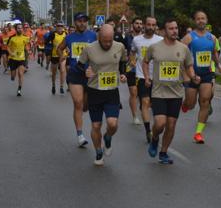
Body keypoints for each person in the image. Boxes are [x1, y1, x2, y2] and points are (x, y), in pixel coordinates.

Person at [144, 19, 196, 164]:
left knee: (171, 124)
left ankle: (163, 152)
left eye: (176, 28)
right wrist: (147, 77)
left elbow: (189, 66)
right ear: (164, 31)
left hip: (176, 92)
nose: (175, 31)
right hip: (158, 91)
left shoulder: (183, 48)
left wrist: (193, 76)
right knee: (160, 123)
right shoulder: (154, 47)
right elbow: (145, 61)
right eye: (171, 28)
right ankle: (155, 139)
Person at [77, 24, 128, 166]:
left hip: (112, 91)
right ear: (99, 37)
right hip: (94, 91)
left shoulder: (119, 46)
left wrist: (123, 74)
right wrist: (85, 71)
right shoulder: (89, 48)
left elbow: (123, 61)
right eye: (104, 41)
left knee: (113, 124)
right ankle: (99, 152)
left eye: (110, 41)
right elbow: (80, 64)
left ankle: (107, 137)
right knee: (96, 125)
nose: (107, 44)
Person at [181, 11, 221, 144]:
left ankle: (198, 133)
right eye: (198, 19)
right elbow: (179, 53)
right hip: (192, 73)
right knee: (191, 104)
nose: (201, 21)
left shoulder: (212, 38)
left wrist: (219, 66)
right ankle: (186, 104)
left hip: (206, 74)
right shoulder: (189, 37)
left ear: (206, 20)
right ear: (195, 21)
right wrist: (185, 74)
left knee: (205, 101)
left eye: (203, 18)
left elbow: (214, 53)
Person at [57, 13, 97, 147]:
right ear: (75, 22)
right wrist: (61, 56)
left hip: (90, 75)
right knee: (78, 103)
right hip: (75, 74)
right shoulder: (69, 38)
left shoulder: (93, 36)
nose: (82, 23)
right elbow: (59, 48)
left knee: (86, 106)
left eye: (84, 21)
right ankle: (80, 134)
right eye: (79, 21)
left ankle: (83, 113)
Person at [131, 16, 163, 142]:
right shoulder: (136, 40)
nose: (150, 27)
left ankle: (157, 126)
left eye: (153, 25)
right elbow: (132, 53)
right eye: (148, 25)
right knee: (145, 102)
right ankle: (148, 130)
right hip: (141, 76)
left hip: (158, 77)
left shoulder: (160, 40)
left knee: (154, 105)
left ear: (156, 26)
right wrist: (133, 61)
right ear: (144, 25)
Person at [7, 23, 31, 97]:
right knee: (13, 77)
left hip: (21, 59)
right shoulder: (12, 38)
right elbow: (7, 47)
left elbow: (28, 45)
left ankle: (19, 89)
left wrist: (28, 50)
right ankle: (12, 75)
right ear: (15, 29)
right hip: (13, 59)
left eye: (21, 28)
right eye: (18, 28)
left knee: (21, 74)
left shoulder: (25, 37)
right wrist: (11, 53)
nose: (20, 29)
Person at [46, 23, 67, 94]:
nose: (60, 27)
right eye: (58, 26)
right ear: (56, 27)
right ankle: (53, 85)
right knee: (54, 73)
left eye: (61, 26)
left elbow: (68, 43)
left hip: (63, 55)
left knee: (62, 70)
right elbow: (47, 42)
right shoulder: (53, 34)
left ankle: (61, 86)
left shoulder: (66, 34)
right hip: (54, 55)